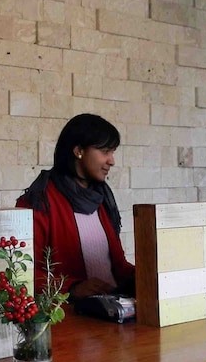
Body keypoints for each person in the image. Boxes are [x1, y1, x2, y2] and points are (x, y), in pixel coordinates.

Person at [17, 114, 135, 300]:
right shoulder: (38, 202)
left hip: (114, 307)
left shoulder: (102, 199)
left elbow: (119, 267)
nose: (112, 160)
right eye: (105, 151)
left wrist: (149, 275)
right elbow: (22, 271)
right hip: (70, 312)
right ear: (79, 151)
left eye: (112, 152)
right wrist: (72, 287)